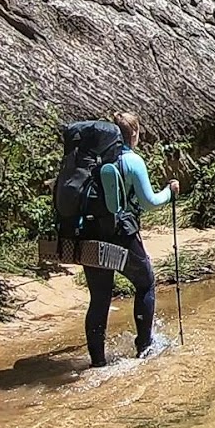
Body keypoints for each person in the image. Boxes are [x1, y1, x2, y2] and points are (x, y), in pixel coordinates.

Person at [84, 111, 179, 368]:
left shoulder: (92, 159)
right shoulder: (132, 161)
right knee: (145, 282)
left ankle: (98, 362)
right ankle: (145, 348)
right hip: (120, 235)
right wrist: (170, 193)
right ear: (134, 133)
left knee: (99, 297)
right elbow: (149, 202)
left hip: (89, 236)